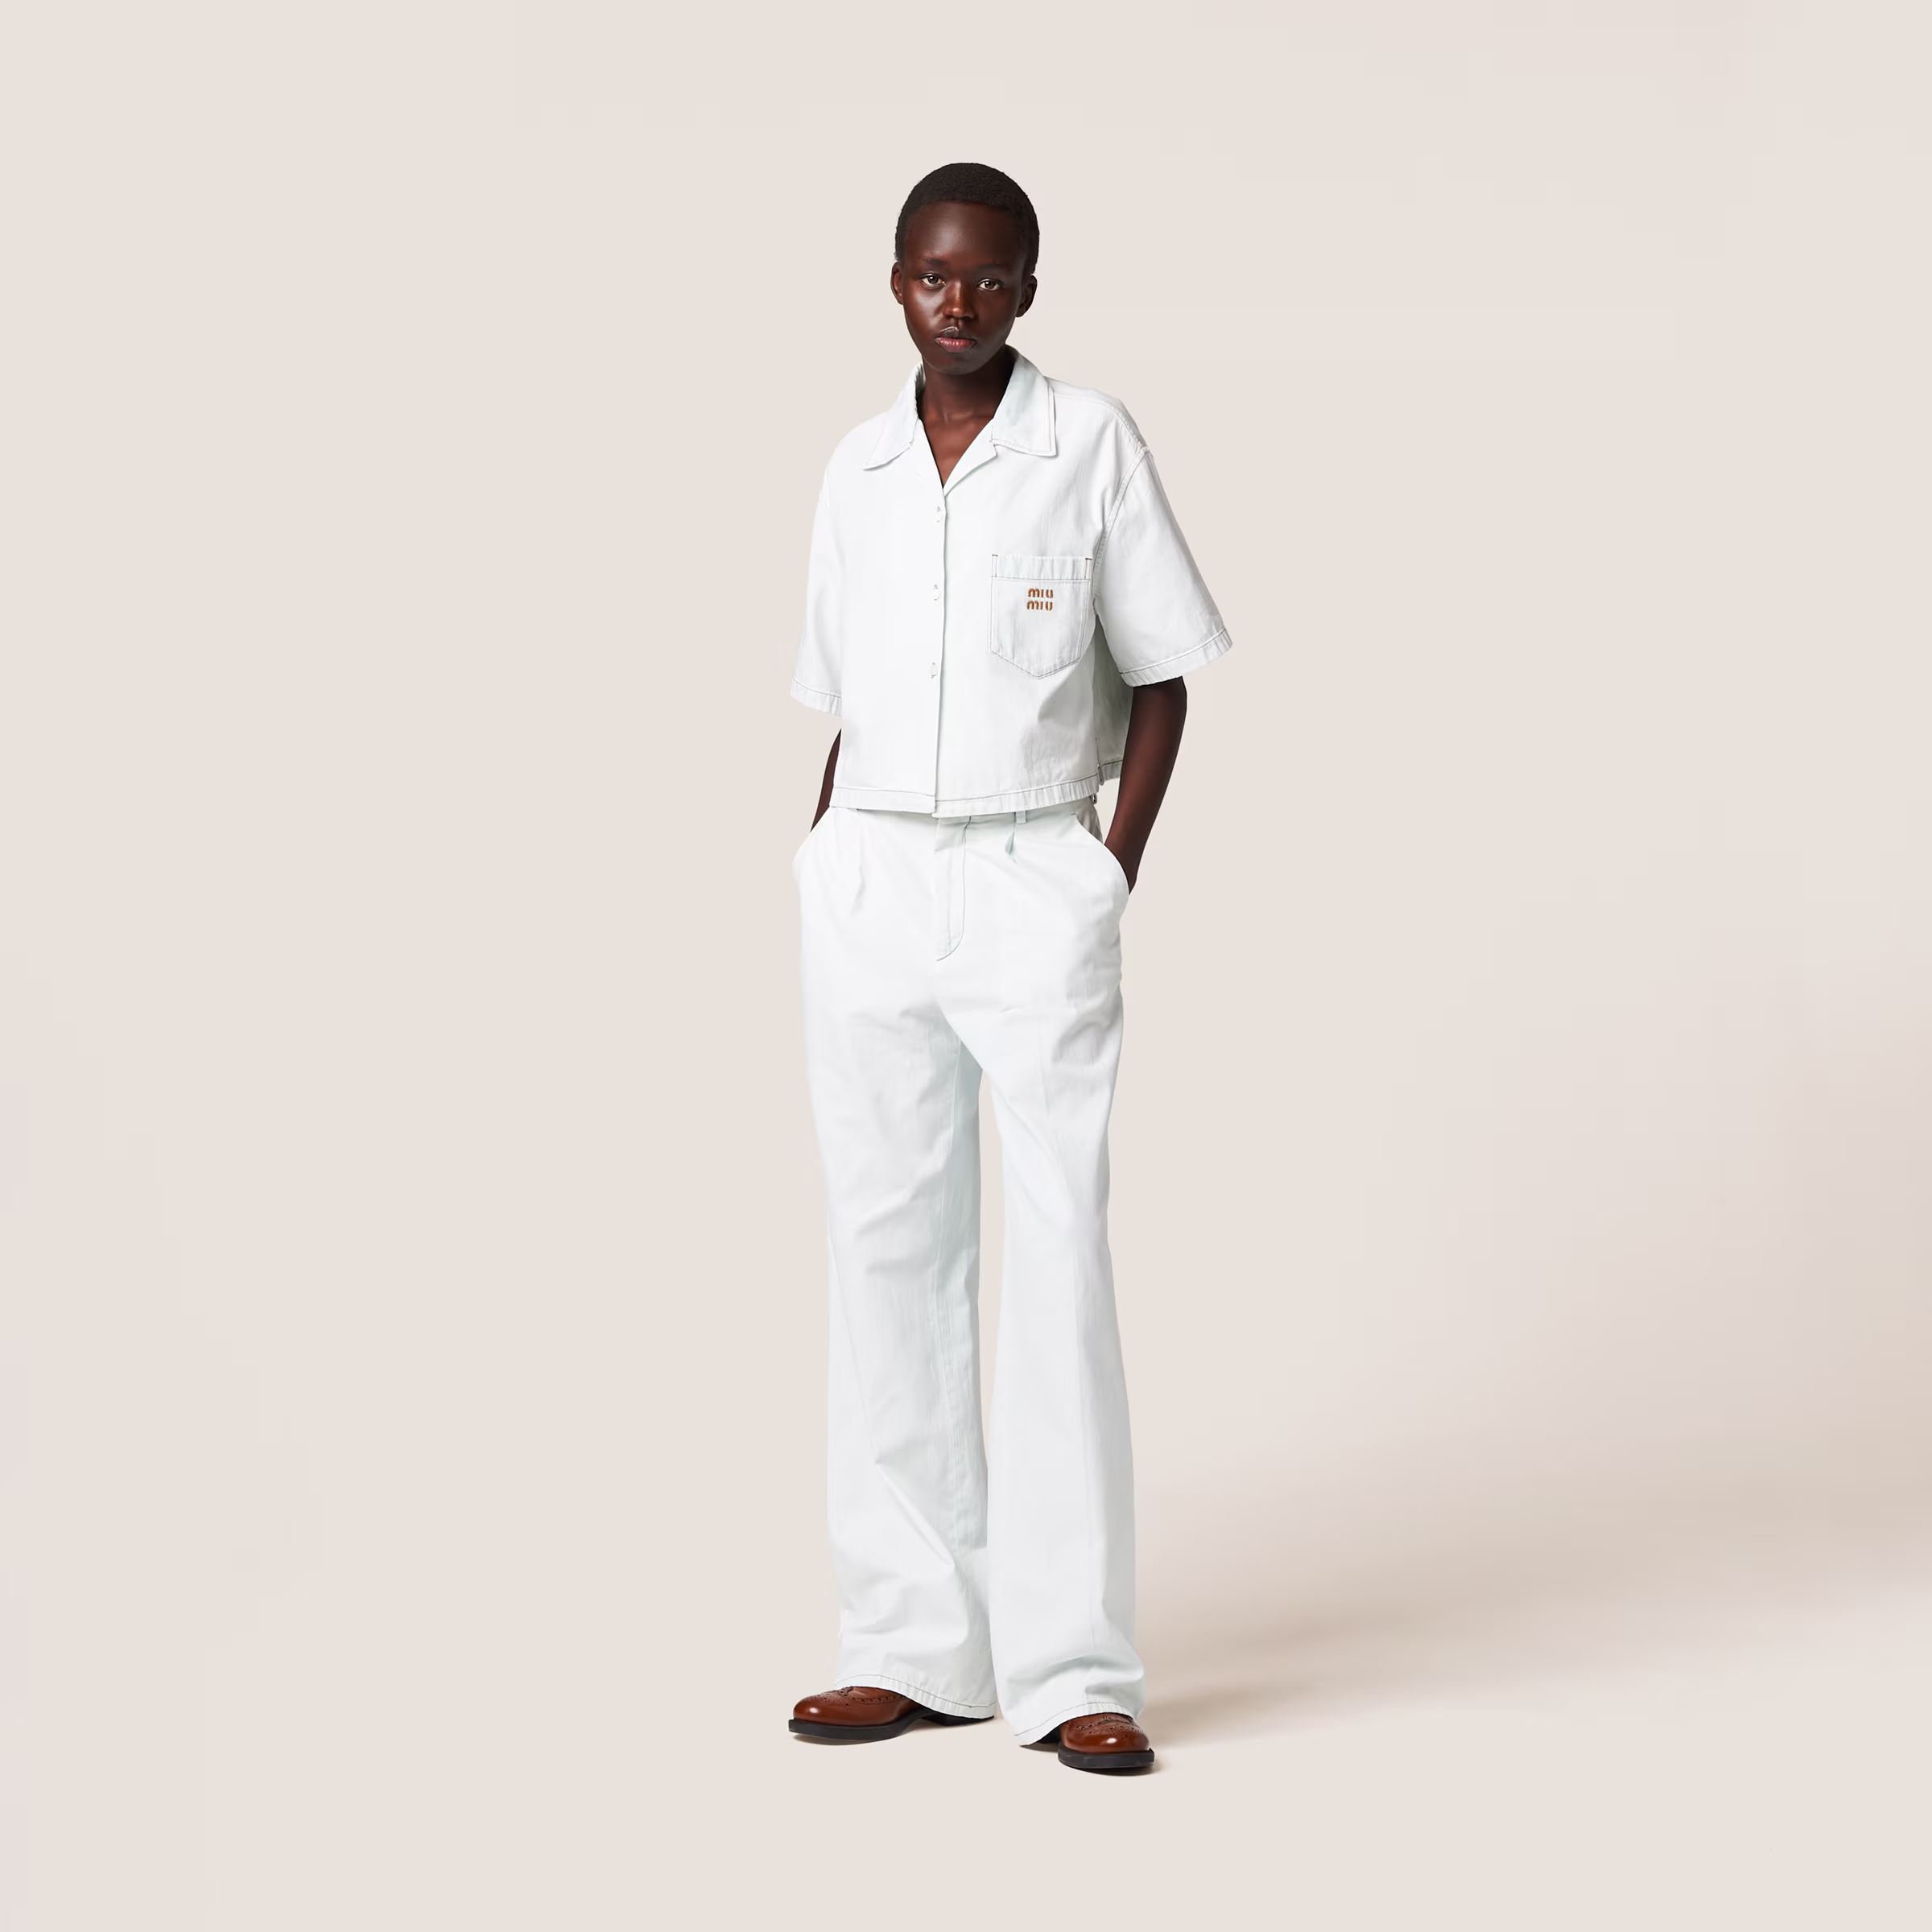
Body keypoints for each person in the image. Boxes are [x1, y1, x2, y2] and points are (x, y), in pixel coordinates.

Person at [786, 162, 1231, 1775]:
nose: (957, 302)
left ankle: (1073, 1668)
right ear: (895, 283)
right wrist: (829, 854)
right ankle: (911, 1643)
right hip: (874, 876)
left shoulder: (1090, 443)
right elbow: (848, 695)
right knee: (886, 1252)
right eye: (932, 274)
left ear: (1030, 288)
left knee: (1055, 1261)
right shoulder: (857, 469)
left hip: (1035, 872)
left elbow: (1164, 677)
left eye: (987, 277)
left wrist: (1108, 870)